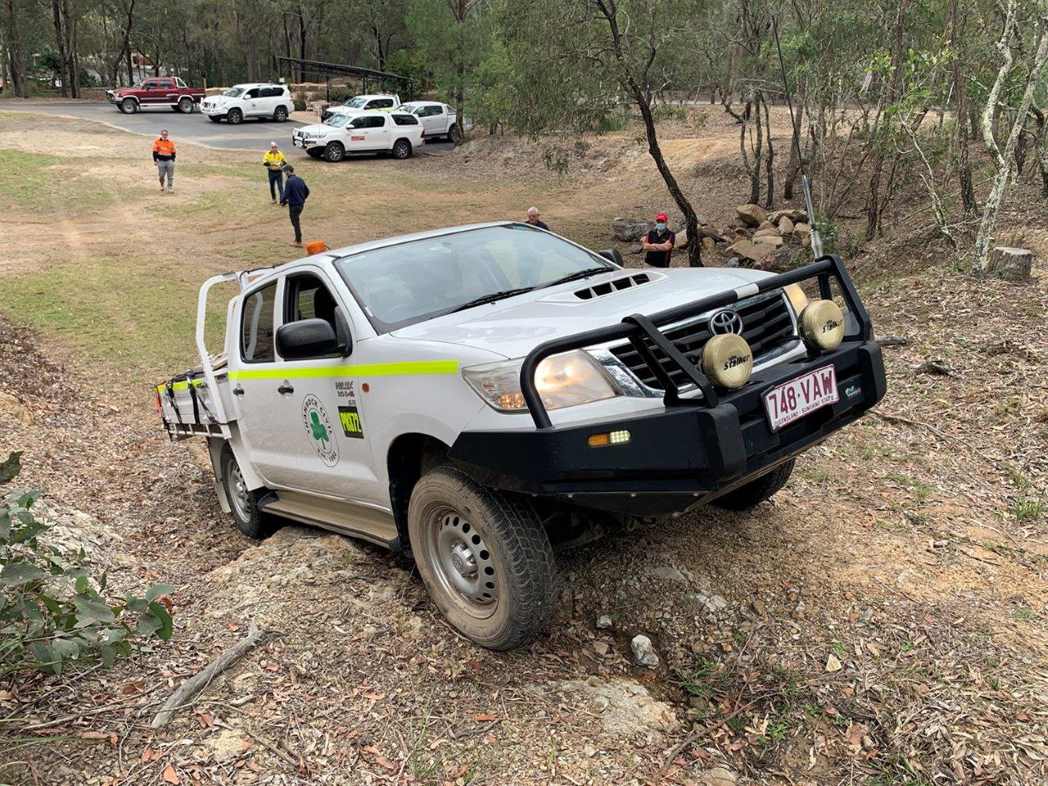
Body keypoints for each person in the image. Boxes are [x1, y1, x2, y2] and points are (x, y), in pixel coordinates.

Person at [280, 166, 310, 246]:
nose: (284, 174)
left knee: (295, 223)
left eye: (284, 172)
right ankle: (297, 239)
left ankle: (298, 241)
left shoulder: (289, 181)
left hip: (294, 206)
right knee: (295, 222)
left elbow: (286, 194)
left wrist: (282, 201)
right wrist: (303, 198)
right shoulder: (300, 179)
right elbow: (307, 191)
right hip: (301, 205)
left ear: (287, 172)